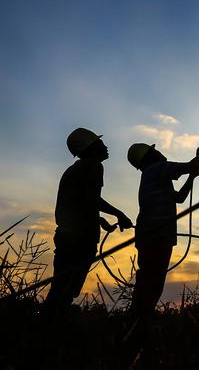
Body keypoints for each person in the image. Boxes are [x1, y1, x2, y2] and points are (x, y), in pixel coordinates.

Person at [45, 128, 133, 316]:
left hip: (68, 237)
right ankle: (49, 330)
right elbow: (92, 198)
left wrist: (99, 219)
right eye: (101, 143)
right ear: (91, 147)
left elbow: (81, 202)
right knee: (67, 288)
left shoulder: (75, 169)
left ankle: (46, 326)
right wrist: (119, 214)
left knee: (61, 286)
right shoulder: (93, 166)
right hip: (80, 239)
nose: (106, 146)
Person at [126, 143, 199, 323]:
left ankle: (136, 320)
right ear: (149, 156)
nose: (159, 152)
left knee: (148, 280)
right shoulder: (157, 169)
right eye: (154, 150)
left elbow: (179, 198)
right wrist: (198, 159)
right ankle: (139, 322)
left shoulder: (154, 175)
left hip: (151, 236)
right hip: (158, 236)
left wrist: (192, 177)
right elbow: (189, 166)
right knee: (153, 283)